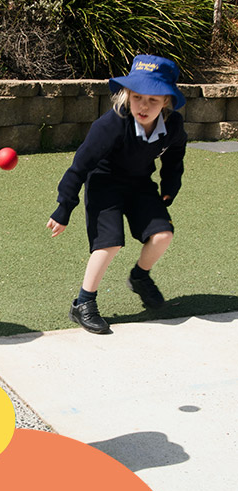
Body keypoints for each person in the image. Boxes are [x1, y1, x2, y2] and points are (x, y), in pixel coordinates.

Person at [47, 54, 187, 334]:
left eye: (153, 100)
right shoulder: (111, 125)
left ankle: (140, 276)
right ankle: (83, 303)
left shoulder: (173, 125)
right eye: (137, 97)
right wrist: (64, 207)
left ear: (167, 102)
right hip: (104, 183)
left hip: (139, 184)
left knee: (162, 235)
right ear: (126, 95)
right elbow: (80, 165)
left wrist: (169, 188)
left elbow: (175, 158)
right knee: (109, 244)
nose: (143, 106)